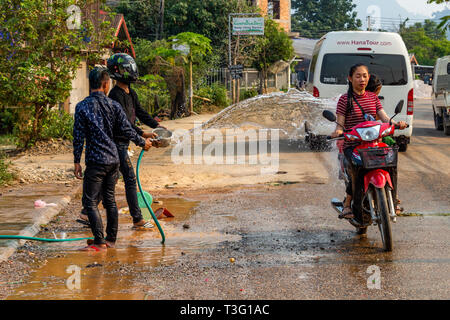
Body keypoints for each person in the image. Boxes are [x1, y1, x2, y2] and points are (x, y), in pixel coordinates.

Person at [78, 53, 164, 229]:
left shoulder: (131, 93)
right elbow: (124, 124)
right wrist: (141, 138)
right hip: (116, 144)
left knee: (113, 179)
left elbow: (139, 113)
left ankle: (86, 213)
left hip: (124, 142)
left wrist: (157, 127)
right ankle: (137, 219)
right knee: (130, 179)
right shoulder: (115, 96)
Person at [73, 67, 152, 251]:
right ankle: (111, 240)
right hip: (113, 159)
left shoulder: (82, 107)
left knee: (90, 202)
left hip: (95, 161)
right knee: (110, 200)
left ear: (91, 84)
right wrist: (142, 142)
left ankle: (99, 243)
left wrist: (77, 161)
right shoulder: (113, 105)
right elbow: (126, 129)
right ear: (106, 84)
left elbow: (78, 136)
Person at [331, 64, 407, 220]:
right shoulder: (345, 100)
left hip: (374, 143)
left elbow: (384, 118)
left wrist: (396, 123)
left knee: (391, 162)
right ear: (350, 79)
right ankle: (348, 205)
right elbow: (340, 123)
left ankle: (393, 199)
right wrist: (338, 131)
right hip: (353, 145)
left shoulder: (373, 98)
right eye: (358, 76)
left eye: (365, 76)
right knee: (356, 171)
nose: (362, 79)